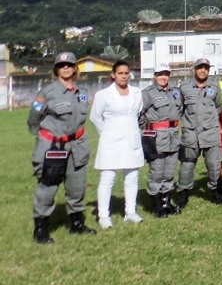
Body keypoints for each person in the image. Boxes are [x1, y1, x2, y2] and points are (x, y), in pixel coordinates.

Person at [28, 52, 95, 243]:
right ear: (56, 69)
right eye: (62, 65)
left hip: (77, 146)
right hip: (52, 147)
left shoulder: (81, 93)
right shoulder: (46, 94)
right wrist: (44, 138)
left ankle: (77, 225)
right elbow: (33, 118)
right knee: (47, 187)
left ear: (75, 68)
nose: (66, 68)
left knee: (77, 187)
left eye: (70, 65)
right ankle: (40, 229)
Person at [91, 60, 146, 229]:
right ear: (113, 75)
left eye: (126, 73)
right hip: (110, 141)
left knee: (132, 176)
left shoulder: (136, 93)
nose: (123, 76)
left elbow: (138, 112)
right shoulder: (103, 95)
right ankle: (103, 215)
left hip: (132, 139)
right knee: (108, 177)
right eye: (120, 73)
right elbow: (95, 117)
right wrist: (107, 133)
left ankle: (130, 212)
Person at [177, 58, 222, 208]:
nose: (203, 70)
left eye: (206, 68)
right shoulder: (184, 87)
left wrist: (209, 122)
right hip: (191, 133)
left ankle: (216, 191)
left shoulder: (214, 87)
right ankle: (183, 194)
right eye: (200, 68)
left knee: (214, 164)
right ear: (194, 69)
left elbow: (218, 107)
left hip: (210, 132)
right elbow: (179, 109)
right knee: (187, 165)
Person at [141, 62, 183, 218]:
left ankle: (166, 201)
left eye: (166, 74)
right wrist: (147, 131)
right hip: (156, 137)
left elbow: (180, 110)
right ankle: (156, 204)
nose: (163, 77)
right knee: (157, 171)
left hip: (173, 135)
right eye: (160, 74)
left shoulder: (175, 92)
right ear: (154, 76)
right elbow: (139, 114)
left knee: (170, 170)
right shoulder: (148, 93)